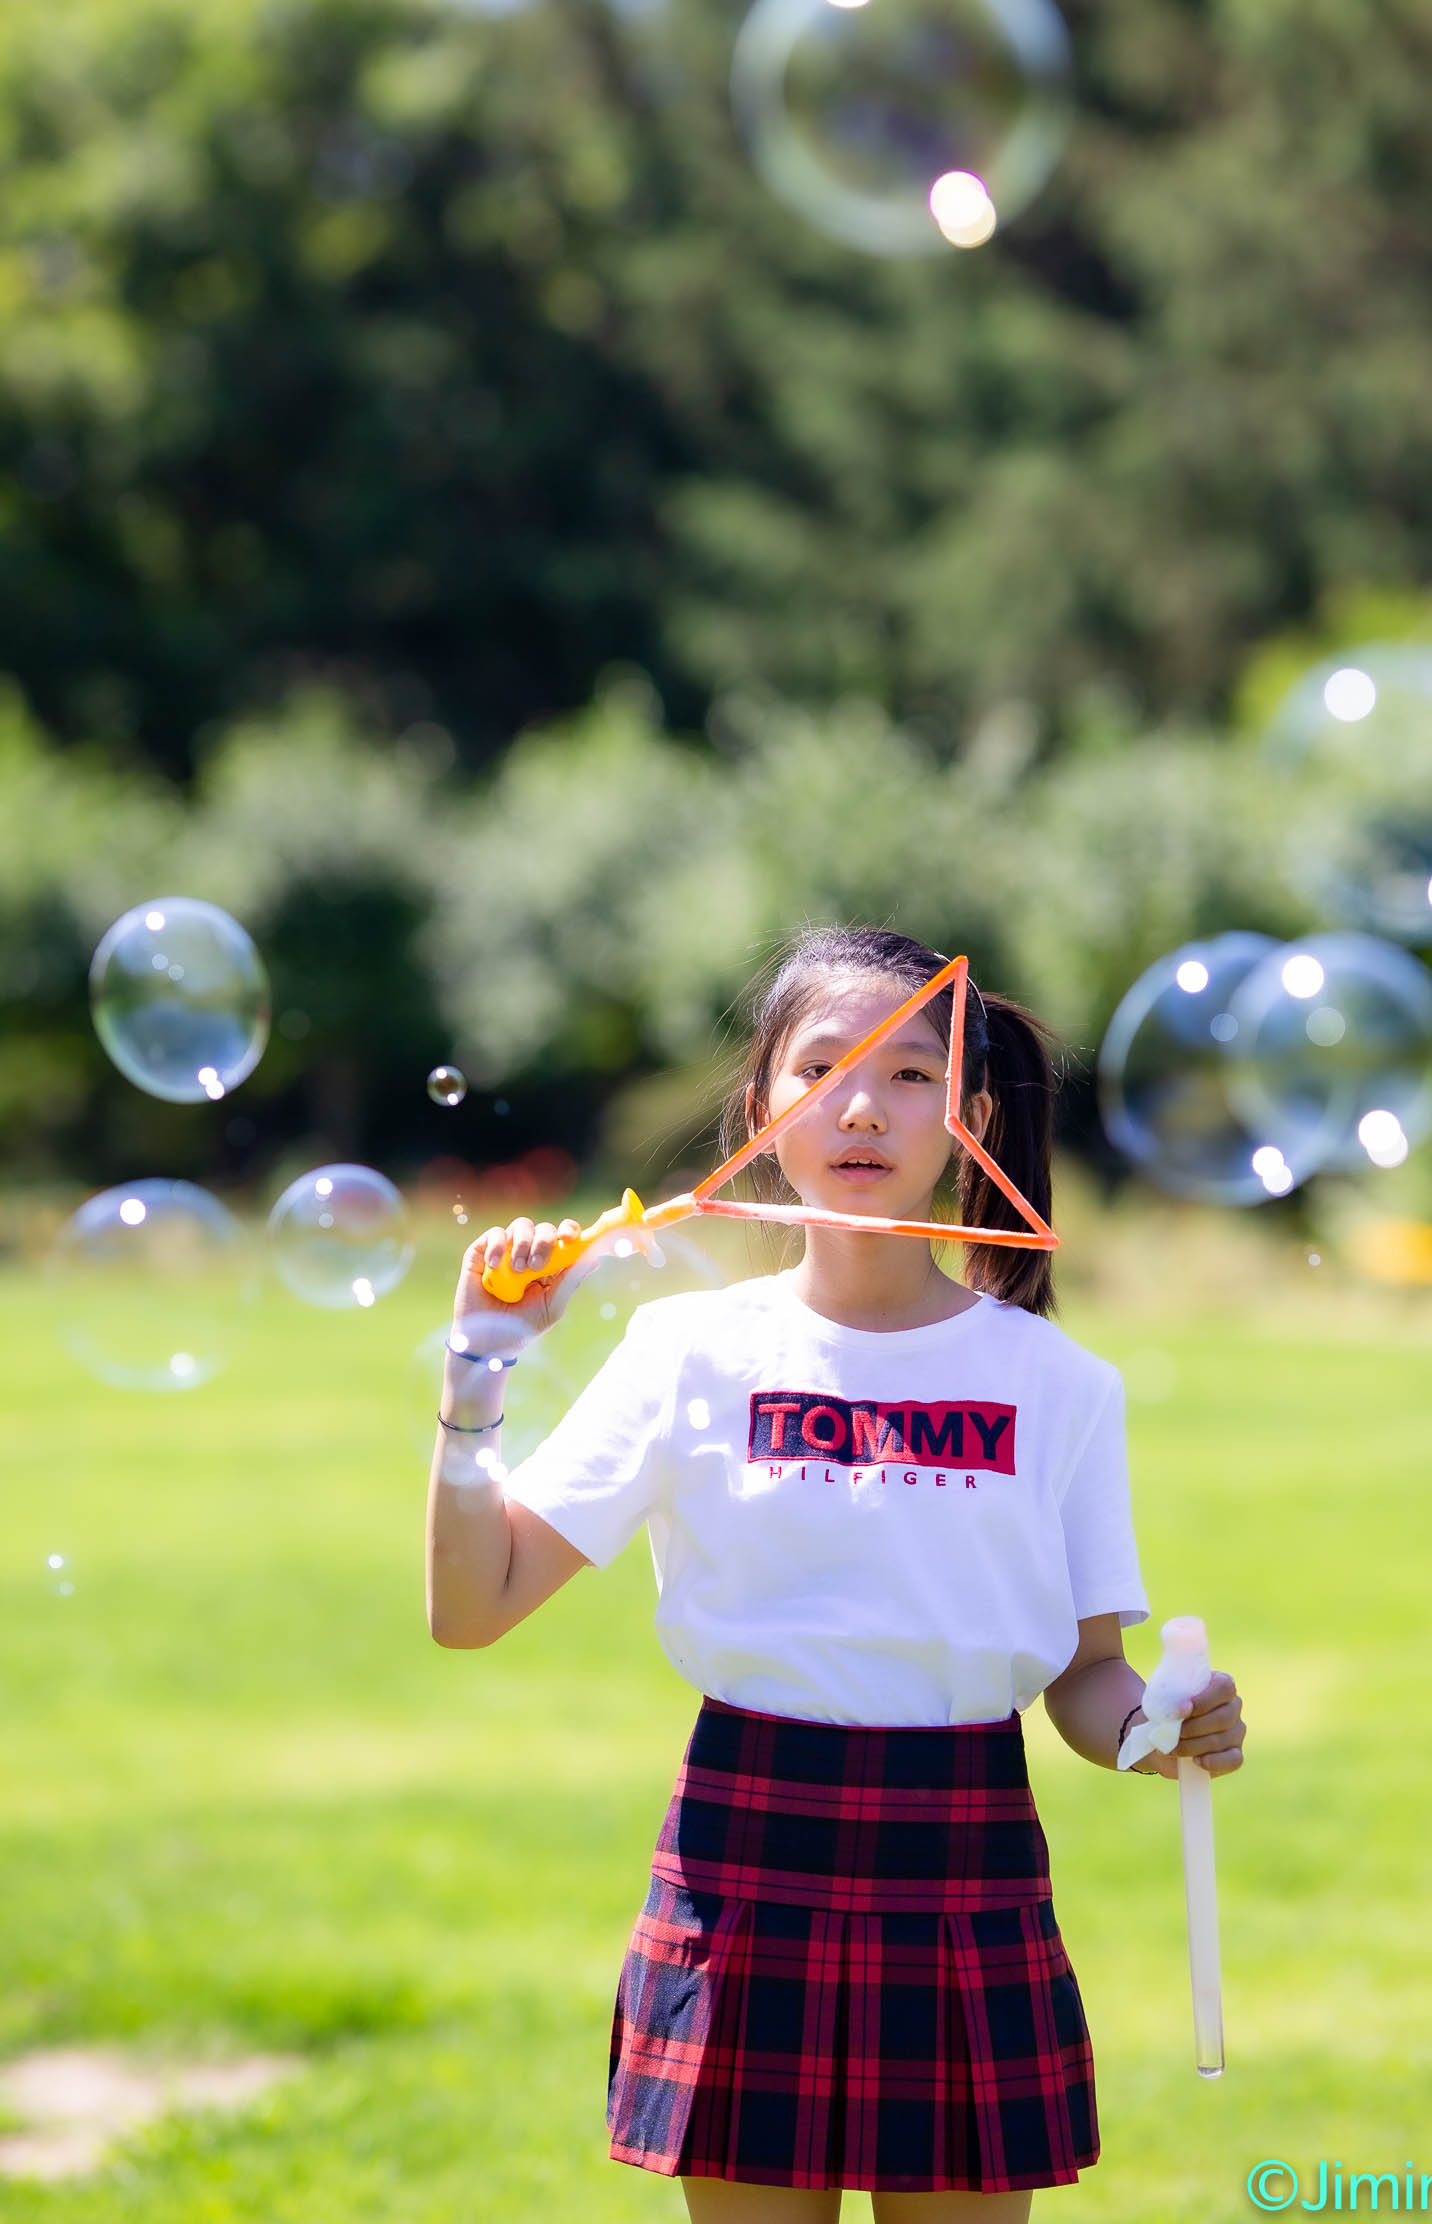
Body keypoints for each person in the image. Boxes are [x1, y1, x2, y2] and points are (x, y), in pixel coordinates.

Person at [425, 924, 1247, 2224]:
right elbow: (471, 1609)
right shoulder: (684, 1350)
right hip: (744, 1866)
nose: (862, 1107)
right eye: (822, 1069)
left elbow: (1088, 1677)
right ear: (764, 1108)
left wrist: (1160, 1725)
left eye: (911, 1074)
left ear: (970, 1117)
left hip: (966, 1874)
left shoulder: (1061, 1385)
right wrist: (479, 1367)